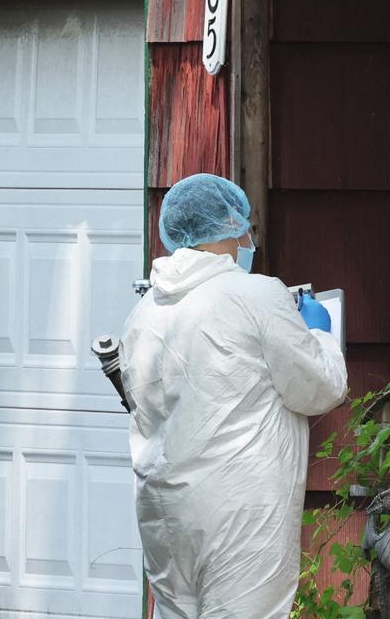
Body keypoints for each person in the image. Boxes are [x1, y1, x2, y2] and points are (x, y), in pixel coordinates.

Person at [120, 173, 348, 618]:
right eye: (246, 228)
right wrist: (320, 332)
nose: (249, 238)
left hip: (166, 514)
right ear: (230, 225)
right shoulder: (257, 294)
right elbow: (319, 388)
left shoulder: (143, 311)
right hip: (240, 513)